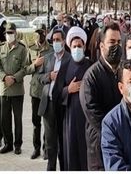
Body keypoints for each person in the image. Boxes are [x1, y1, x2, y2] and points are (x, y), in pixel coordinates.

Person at [79, 22, 124, 170]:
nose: (116, 46)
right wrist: (117, 131)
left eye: (118, 42)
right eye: (111, 42)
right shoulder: (91, 77)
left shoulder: (121, 72)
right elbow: (94, 115)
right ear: (101, 46)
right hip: (100, 147)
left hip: (122, 146)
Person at [0, 22, 30, 155]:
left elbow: (25, 67)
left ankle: (17, 145)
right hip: (4, 89)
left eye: (11, 33)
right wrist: (4, 77)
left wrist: (14, 78)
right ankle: (7, 143)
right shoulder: (0, 48)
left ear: (15, 33)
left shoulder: (22, 49)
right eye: (7, 33)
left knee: (17, 119)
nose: (9, 35)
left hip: (17, 90)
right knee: (5, 118)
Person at [38, 29, 71, 171]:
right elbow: (38, 78)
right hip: (48, 104)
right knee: (50, 142)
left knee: (62, 141)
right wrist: (49, 76)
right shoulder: (48, 58)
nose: (56, 42)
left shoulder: (69, 59)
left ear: (64, 41)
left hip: (63, 105)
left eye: (59, 39)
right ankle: (50, 168)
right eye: (54, 40)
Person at [62, 26, 93, 170]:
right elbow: (56, 93)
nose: (76, 49)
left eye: (79, 46)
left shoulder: (92, 66)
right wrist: (68, 89)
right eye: (74, 46)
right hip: (70, 119)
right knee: (72, 154)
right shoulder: (65, 66)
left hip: (87, 120)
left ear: (84, 46)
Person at [25, 29, 52, 159]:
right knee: (36, 123)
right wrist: (34, 65)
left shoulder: (51, 49)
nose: (39, 36)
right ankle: (36, 148)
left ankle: (46, 149)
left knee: (47, 122)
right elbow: (25, 69)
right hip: (35, 91)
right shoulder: (30, 49)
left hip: (47, 91)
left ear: (45, 34)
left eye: (41, 33)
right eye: (37, 34)